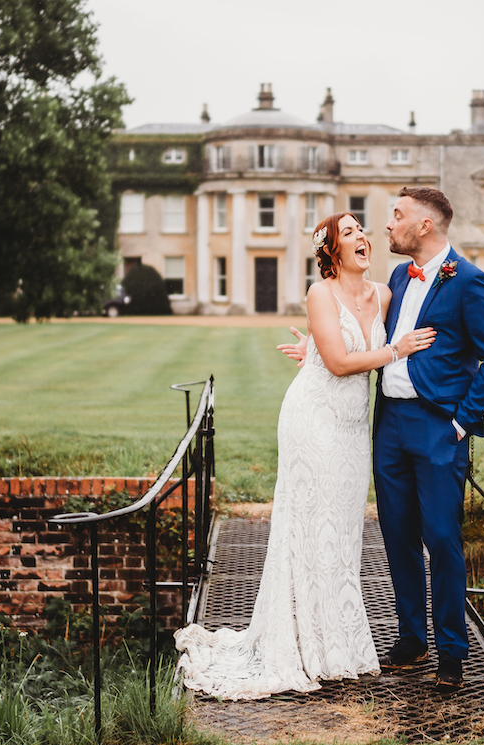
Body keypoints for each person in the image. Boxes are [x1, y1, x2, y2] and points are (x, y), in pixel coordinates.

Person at [172, 212, 436, 700]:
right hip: (313, 417)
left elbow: (353, 344)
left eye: (362, 230)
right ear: (333, 251)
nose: (362, 236)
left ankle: (338, 641)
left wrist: (315, 343)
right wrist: (391, 351)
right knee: (310, 525)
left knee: (343, 529)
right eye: (350, 232)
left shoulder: (384, 294)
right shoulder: (320, 293)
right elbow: (338, 364)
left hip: (355, 427)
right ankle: (304, 643)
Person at [282, 188, 484, 691]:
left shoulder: (470, 282)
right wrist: (317, 352)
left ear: (425, 226)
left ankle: (452, 650)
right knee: (398, 534)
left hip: (437, 426)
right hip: (387, 425)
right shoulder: (394, 281)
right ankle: (412, 638)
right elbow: (357, 337)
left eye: (397, 216)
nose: (386, 226)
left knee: (443, 538)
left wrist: (461, 421)